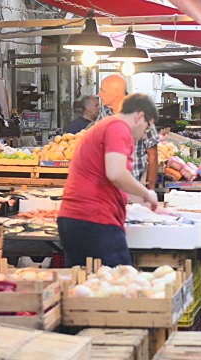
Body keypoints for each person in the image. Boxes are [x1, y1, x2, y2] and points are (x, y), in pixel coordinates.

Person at [57, 94, 159, 267]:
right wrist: (147, 193)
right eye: (147, 127)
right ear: (139, 116)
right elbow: (116, 173)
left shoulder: (108, 125)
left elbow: (111, 179)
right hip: (94, 220)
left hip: (79, 218)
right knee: (115, 283)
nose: (144, 135)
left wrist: (140, 200)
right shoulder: (118, 128)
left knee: (87, 285)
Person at [98, 75, 159, 189]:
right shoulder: (104, 115)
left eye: (102, 90)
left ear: (116, 93)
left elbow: (153, 155)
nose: (99, 94)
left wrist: (151, 189)